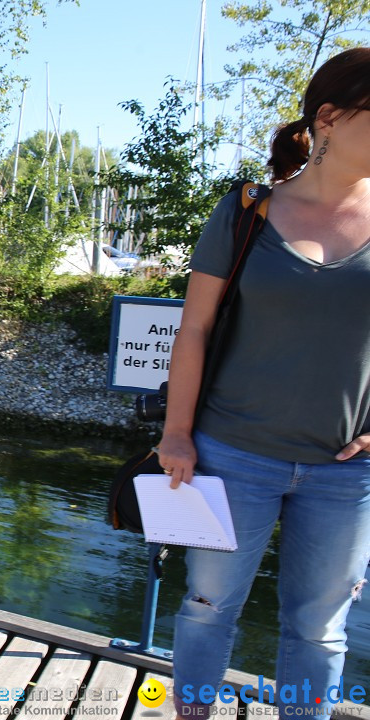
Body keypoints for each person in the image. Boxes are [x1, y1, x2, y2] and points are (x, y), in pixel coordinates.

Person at [158, 48, 370, 719]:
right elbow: (192, 331)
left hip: (345, 476)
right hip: (229, 456)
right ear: (330, 119)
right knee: (205, 608)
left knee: (319, 628)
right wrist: (177, 435)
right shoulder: (247, 210)